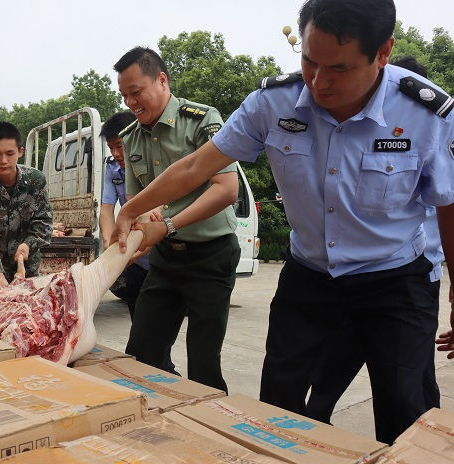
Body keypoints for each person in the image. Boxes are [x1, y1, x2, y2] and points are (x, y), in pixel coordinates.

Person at [111, 0, 454, 444]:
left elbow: (449, 204)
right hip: (309, 277)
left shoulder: (427, 114)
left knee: (406, 409)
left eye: (339, 68)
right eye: (310, 61)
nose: (319, 81)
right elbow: (197, 165)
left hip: (396, 280)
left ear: (383, 52)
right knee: (278, 404)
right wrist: (130, 209)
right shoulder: (273, 103)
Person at [305, 55, 443, 422]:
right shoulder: (360, 131)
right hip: (355, 279)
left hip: (415, 285)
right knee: (325, 384)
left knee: (410, 393)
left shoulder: (435, 130)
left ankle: (417, 446)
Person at [114, 46, 241, 391]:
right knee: (141, 354)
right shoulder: (130, 137)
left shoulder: (201, 120)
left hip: (212, 254)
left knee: (203, 363)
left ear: (162, 80)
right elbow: (136, 203)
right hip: (166, 257)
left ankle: (211, 419)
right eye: (124, 95)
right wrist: (138, 226)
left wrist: (167, 223)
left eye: (136, 92)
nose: (130, 103)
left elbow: (227, 190)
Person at [0, 122, 53, 285]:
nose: (3, 160)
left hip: (27, 272)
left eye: (9, 153)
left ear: (20, 152)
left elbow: (44, 223)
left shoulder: (36, 181)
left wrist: (27, 245)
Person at [99, 111, 150, 318]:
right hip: (135, 258)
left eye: (120, 146)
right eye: (111, 148)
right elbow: (106, 209)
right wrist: (108, 242)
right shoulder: (113, 169)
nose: (116, 154)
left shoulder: (153, 162)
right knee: (138, 320)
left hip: (161, 254)